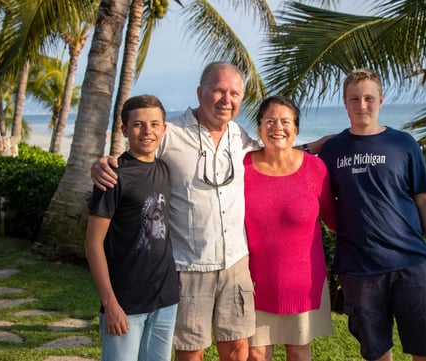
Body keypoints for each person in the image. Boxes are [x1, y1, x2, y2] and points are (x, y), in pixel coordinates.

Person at [90, 62, 328, 361]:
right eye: (218, 90)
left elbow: (275, 149)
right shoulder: (171, 133)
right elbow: (138, 152)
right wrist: (104, 162)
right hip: (189, 265)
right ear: (200, 92)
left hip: (235, 264)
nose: (226, 99)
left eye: (234, 93)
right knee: (191, 353)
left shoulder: (240, 137)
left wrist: (317, 145)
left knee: (239, 350)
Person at [318, 69, 426, 361]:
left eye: (368, 98)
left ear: (381, 100)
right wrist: (311, 146)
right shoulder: (332, 149)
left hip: (412, 264)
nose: (361, 105)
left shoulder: (403, 143)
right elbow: (293, 167)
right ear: (344, 102)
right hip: (359, 268)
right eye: (354, 99)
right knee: (378, 354)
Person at [84, 94, 179, 361]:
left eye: (154, 124)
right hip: (126, 303)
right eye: (138, 125)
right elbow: (93, 244)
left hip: (165, 299)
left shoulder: (164, 169)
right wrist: (110, 304)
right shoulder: (114, 176)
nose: (147, 131)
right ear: (125, 130)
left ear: (163, 128)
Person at [244, 95, 336, 361]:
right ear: (259, 127)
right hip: (253, 283)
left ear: (296, 129)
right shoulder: (242, 166)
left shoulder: (315, 168)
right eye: (269, 121)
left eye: (285, 121)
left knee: (298, 353)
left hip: (303, 282)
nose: (277, 127)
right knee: (256, 356)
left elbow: (334, 218)